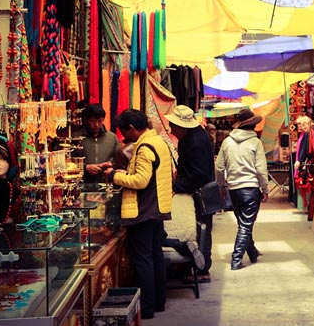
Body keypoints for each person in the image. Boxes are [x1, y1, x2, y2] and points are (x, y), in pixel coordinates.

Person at [104, 109, 172, 319]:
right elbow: (149, 176)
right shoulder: (159, 141)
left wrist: (114, 175)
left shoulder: (144, 147)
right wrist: (125, 173)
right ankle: (158, 302)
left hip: (143, 210)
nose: (125, 138)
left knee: (143, 260)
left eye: (125, 132)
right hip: (157, 208)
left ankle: (148, 308)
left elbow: (141, 181)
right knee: (155, 256)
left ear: (132, 128)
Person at [164, 105, 216, 281]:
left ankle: (202, 271)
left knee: (201, 231)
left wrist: (177, 186)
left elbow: (198, 175)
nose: (171, 129)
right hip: (199, 192)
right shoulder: (193, 137)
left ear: (182, 126)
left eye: (173, 126)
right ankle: (191, 267)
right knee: (199, 230)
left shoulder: (195, 142)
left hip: (202, 194)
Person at [215, 109, 269, 270]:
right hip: (250, 188)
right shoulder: (255, 143)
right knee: (245, 225)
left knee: (244, 223)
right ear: (253, 125)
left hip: (233, 189)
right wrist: (265, 189)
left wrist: (221, 186)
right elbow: (261, 169)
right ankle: (236, 259)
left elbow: (219, 168)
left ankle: (252, 252)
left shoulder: (227, 142)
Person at [76, 104, 120, 183]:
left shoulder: (112, 137)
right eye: (92, 121)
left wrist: (110, 165)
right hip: (83, 183)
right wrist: (86, 167)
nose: (96, 125)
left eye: (100, 121)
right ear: (86, 120)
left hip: (107, 182)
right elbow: (69, 162)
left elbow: (120, 161)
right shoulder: (76, 138)